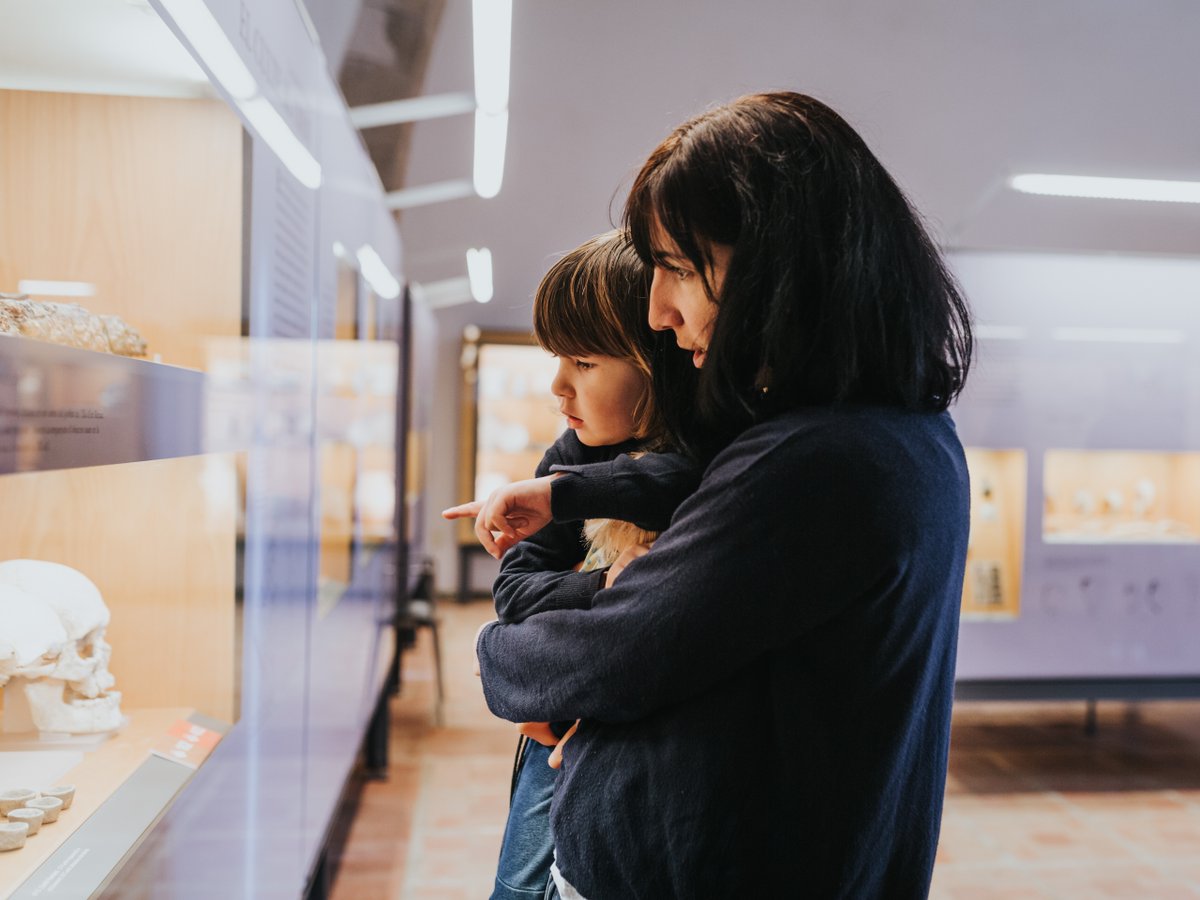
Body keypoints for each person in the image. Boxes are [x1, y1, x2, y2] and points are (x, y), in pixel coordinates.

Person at [460, 92, 975, 899]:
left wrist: (497, 654)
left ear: (778, 267)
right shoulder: (883, 433)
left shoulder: (821, 460)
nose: (661, 313)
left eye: (676, 270)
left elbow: (619, 655)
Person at [449, 229, 697, 900]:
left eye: (584, 363)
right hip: (554, 730)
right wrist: (602, 584)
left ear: (656, 363)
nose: (558, 385)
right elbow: (517, 590)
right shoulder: (571, 452)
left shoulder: (709, 464)